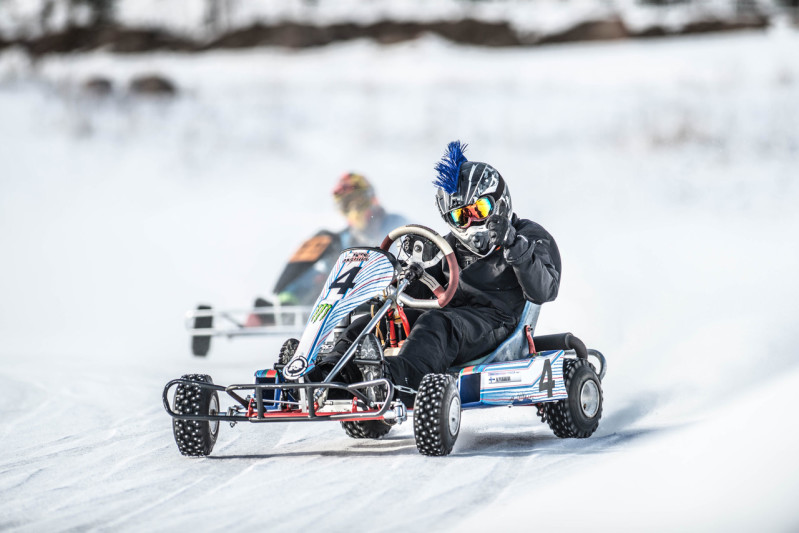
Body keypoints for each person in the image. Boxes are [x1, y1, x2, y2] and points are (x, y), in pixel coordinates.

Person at [318, 140, 562, 397]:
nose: (471, 221)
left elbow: (544, 291)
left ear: (499, 202)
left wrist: (513, 244)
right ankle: (328, 374)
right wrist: (405, 275)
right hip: (453, 319)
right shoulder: (449, 246)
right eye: (461, 216)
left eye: (479, 209)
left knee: (435, 323)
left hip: (497, 322)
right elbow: (423, 293)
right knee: (373, 322)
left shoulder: (529, 236)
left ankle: (397, 380)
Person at [246, 173, 408, 325]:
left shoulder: (396, 224)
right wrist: (287, 300)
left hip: (393, 297)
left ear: (370, 199)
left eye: (357, 202)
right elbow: (316, 276)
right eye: (347, 205)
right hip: (349, 303)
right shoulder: (341, 239)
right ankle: (282, 310)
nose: (354, 210)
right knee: (321, 272)